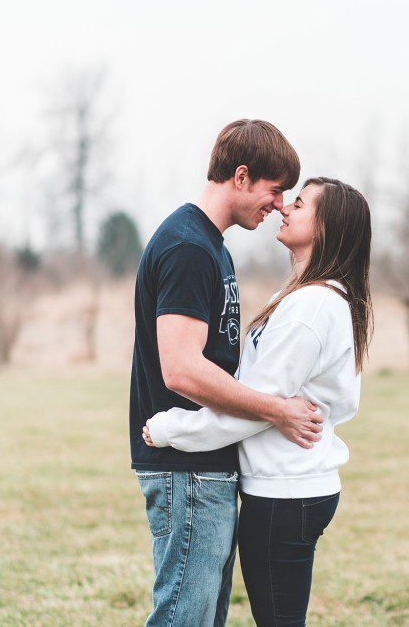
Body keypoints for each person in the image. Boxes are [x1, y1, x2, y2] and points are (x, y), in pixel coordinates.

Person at [143, 176, 373, 627]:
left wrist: (172, 429)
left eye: (301, 204)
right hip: (290, 488)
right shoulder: (310, 299)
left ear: (326, 229)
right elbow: (267, 402)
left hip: (284, 493)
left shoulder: (312, 308)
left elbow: (253, 409)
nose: (285, 208)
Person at [130, 119, 326, 627]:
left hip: (206, 465)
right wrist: (277, 410)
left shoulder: (211, 246)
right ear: (241, 177)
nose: (279, 204)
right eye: (274, 190)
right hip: (186, 469)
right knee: (184, 619)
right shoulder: (189, 248)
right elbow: (182, 370)